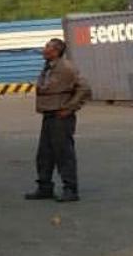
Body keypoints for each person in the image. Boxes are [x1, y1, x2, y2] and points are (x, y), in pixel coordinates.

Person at [25, 38, 92, 203]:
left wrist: (69, 108)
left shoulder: (66, 68)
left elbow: (84, 89)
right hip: (49, 115)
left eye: (47, 47)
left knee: (63, 154)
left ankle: (70, 189)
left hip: (61, 117)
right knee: (44, 154)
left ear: (55, 51)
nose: (44, 49)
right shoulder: (48, 67)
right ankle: (44, 187)